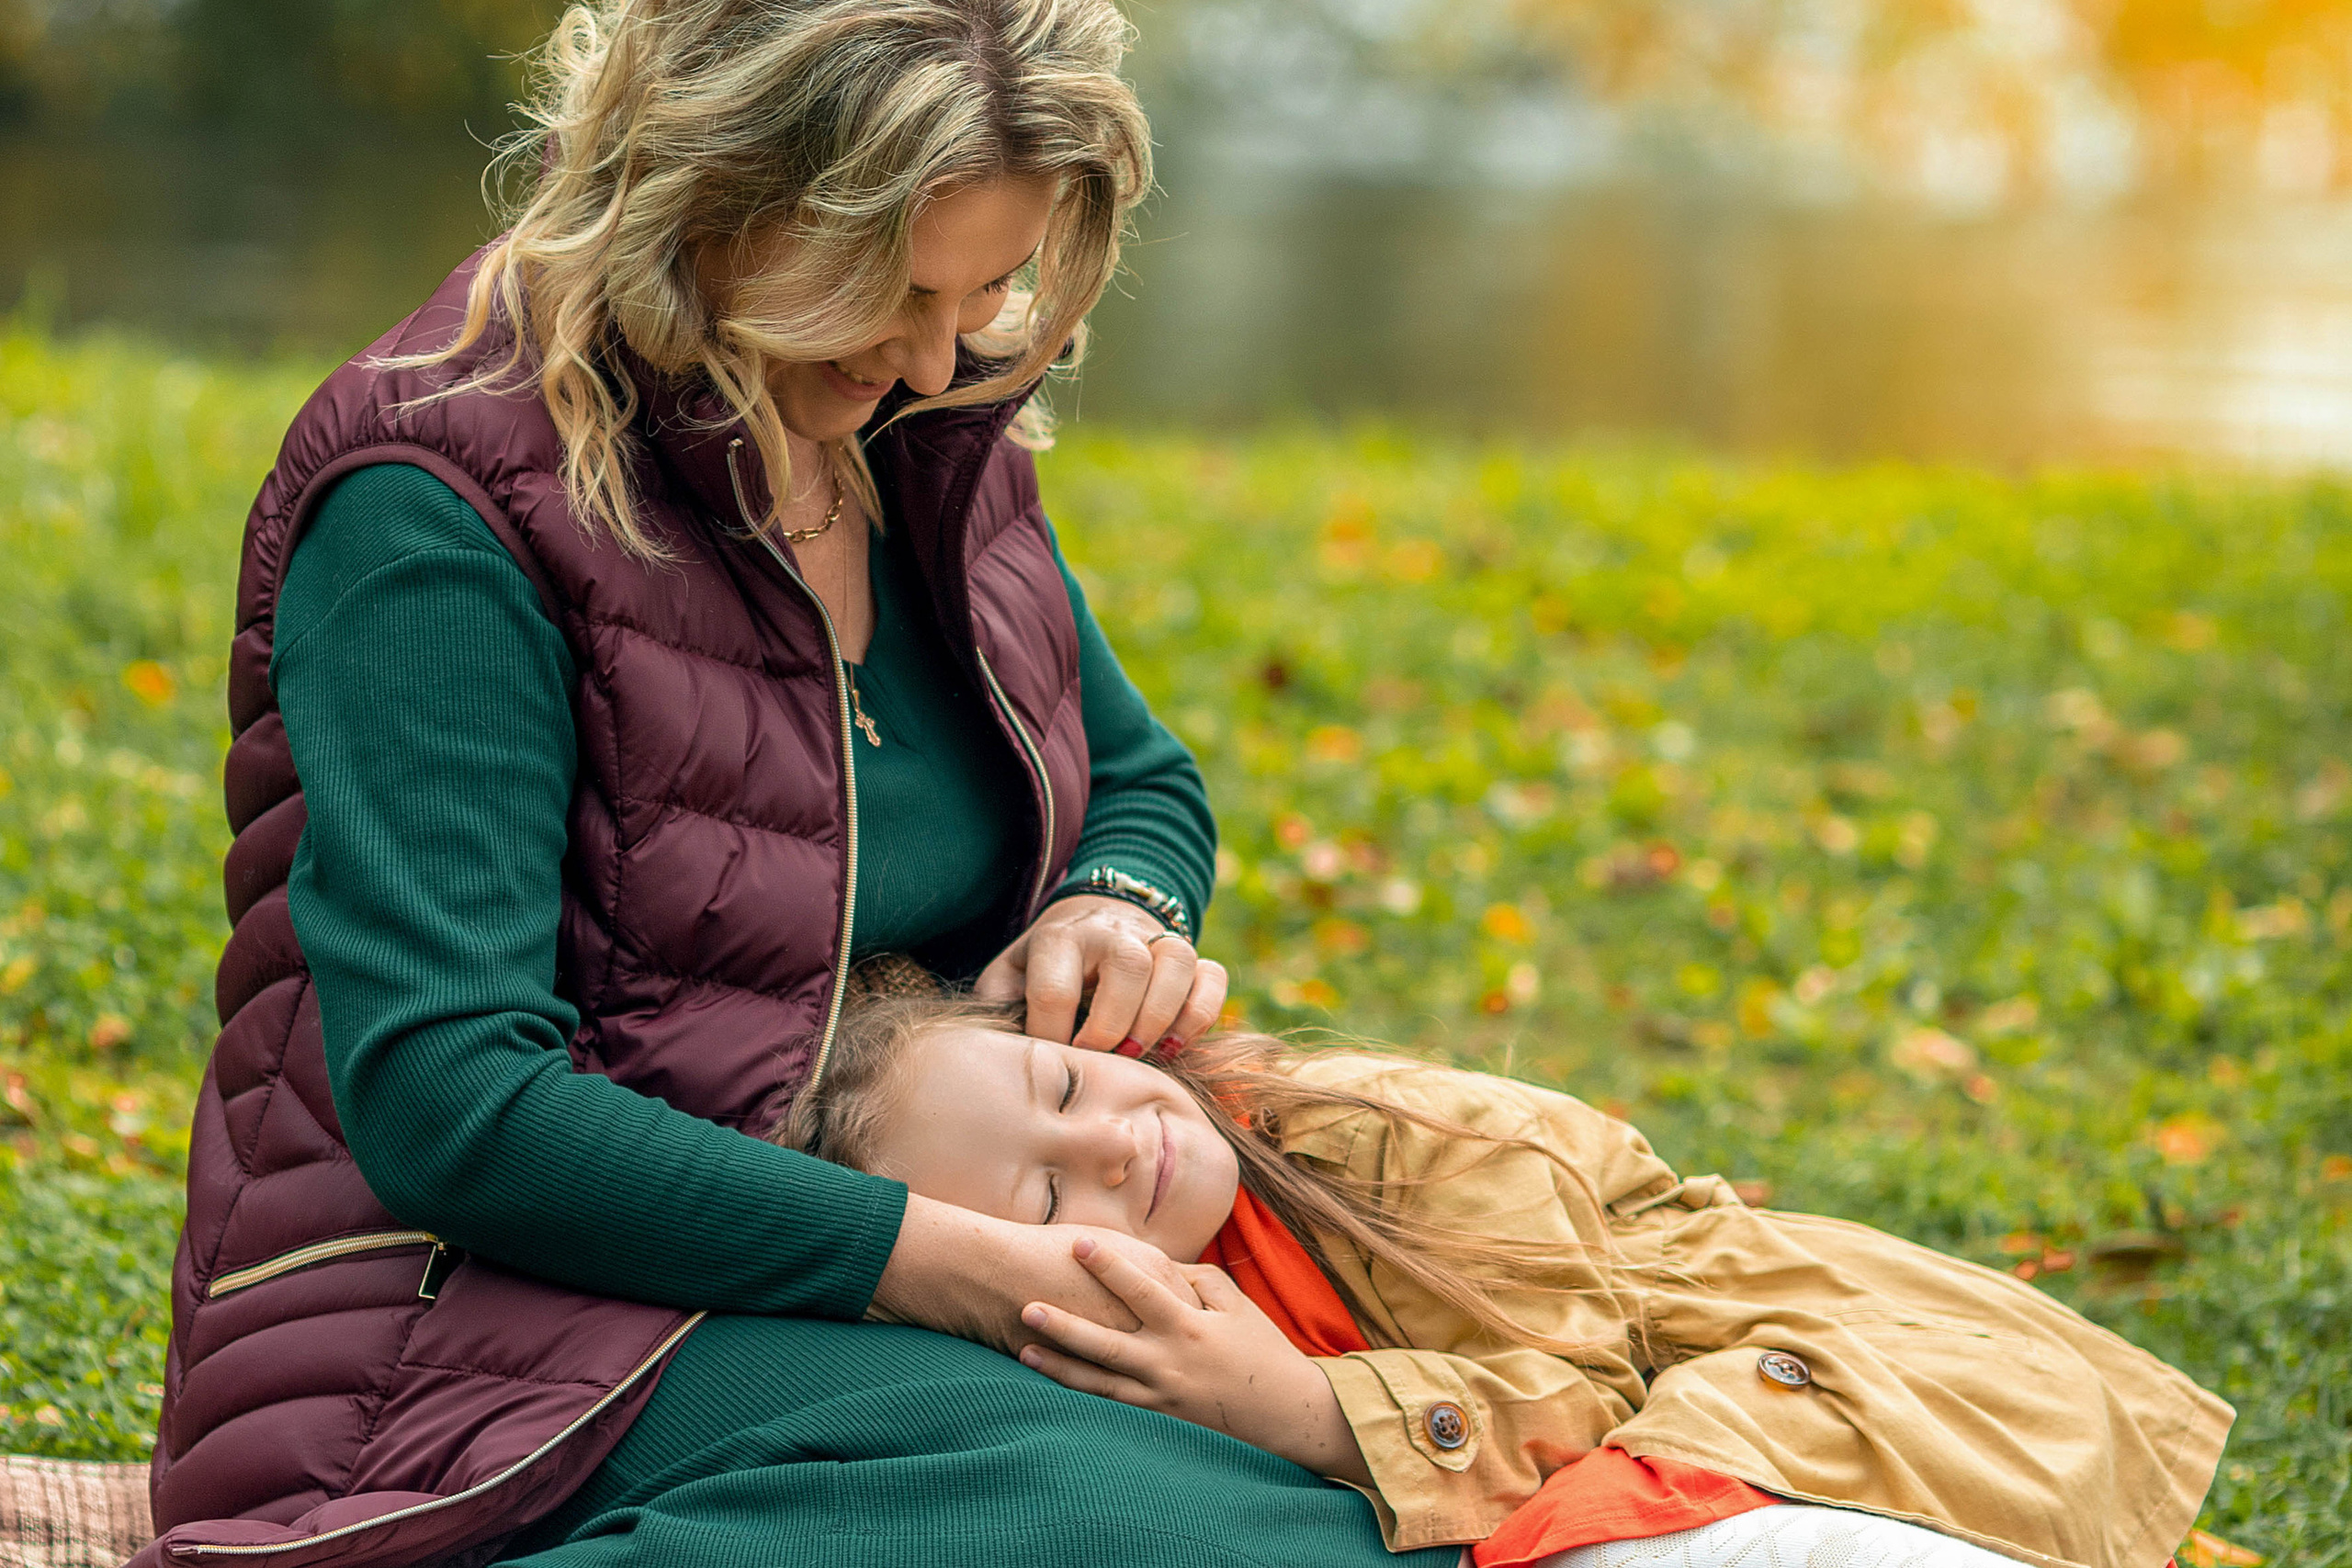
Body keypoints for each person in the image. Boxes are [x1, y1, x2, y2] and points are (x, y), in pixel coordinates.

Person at [140, 5, 1456, 1568]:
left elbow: (1140, 780)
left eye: (986, 291)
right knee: (1121, 1509)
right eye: (891, 295)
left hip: (881, 1243)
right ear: (713, 197)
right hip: (471, 1318)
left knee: (1333, 1494)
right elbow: (454, 1108)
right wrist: (936, 1262)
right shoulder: (436, 504)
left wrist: (1119, 899)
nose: (930, 356)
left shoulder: (920, 428)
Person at [780, 991, 2235, 1568]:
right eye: (1045, 1195)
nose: (1114, 1142)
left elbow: (1582, 1391)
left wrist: (1298, 1407)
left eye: (1061, 1082)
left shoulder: (1378, 1130)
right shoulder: (1118, 1334)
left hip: (1829, 1398)